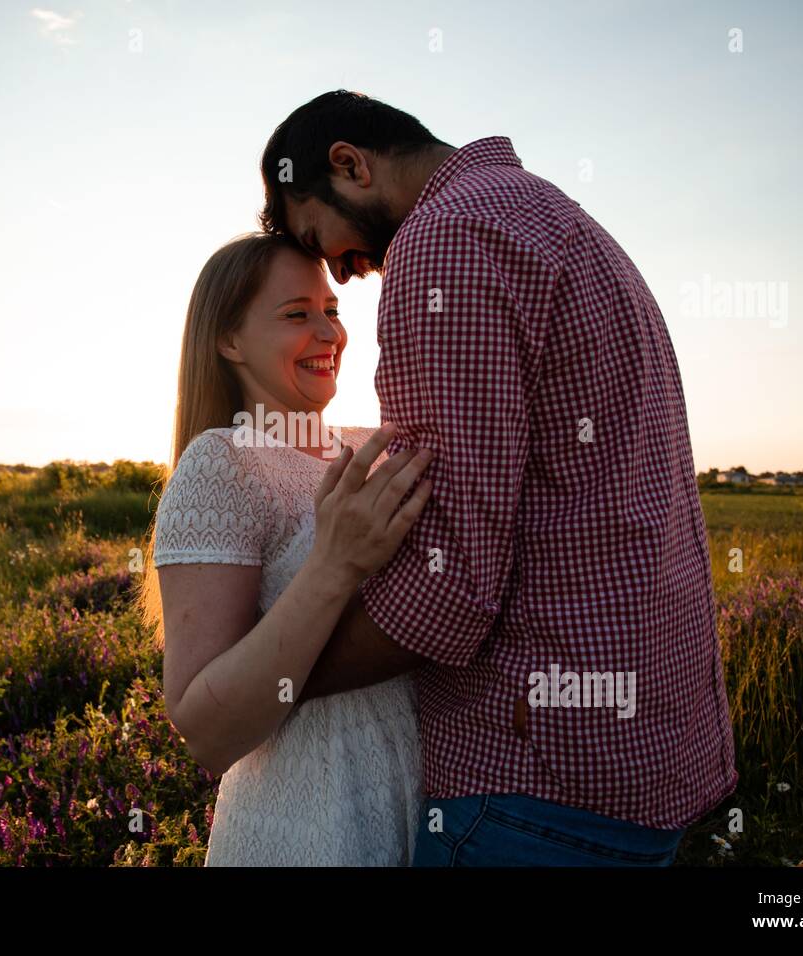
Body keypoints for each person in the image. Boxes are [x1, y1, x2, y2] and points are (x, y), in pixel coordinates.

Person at [256, 90, 738, 866]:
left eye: (325, 238)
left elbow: (446, 585)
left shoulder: (444, 240)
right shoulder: (559, 218)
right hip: (647, 757)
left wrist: (268, 685)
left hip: (531, 781)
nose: (342, 276)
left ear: (350, 164)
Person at [137, 232, 434, 865]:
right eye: (296, 314)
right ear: (229, 340)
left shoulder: (369, 444)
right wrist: (334, 565)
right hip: (307, 829)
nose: (329, 333)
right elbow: (207, 734)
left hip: (424, 809)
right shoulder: (222, 464)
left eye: (331, 310)